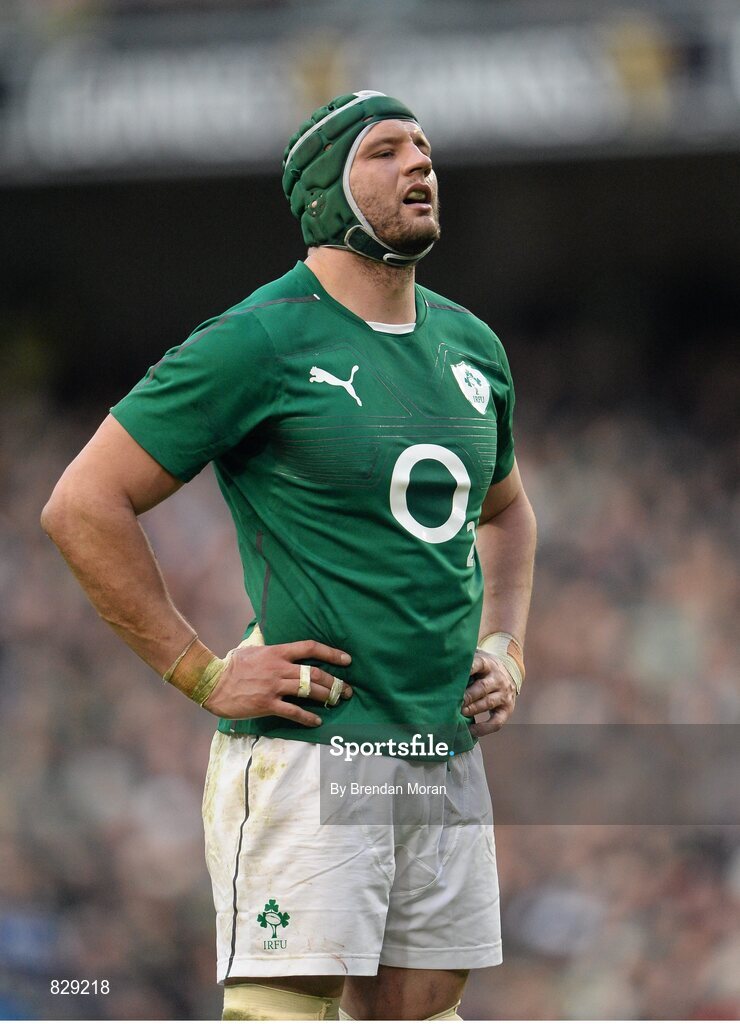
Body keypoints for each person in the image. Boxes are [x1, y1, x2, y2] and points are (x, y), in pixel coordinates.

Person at [42, 90, 537, 1021]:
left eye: (425, 149)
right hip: (320, 747)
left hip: (439, 742)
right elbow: (82, 502)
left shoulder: (472, 345)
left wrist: (507, 644)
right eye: (386, 151)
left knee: (424, 1008)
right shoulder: (260, 338)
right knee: (285, 1005)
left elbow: (508, 514)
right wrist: (199, 671)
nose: (421, 165)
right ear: (324, 194)